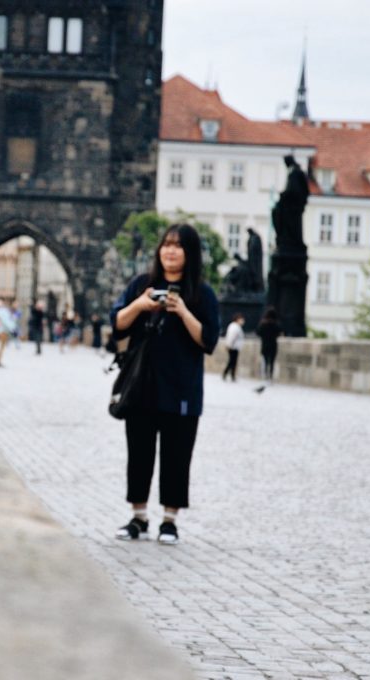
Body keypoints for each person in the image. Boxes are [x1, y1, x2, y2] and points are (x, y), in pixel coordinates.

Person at [110, 223, 220, 545]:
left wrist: (183, 311)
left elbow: (208, 341)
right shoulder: (141, 286)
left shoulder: (202, 293)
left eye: (178, 246)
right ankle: (138, 516)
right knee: (139, 452)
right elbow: (117, 324)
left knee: (177, 454)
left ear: (190, 253)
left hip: (182, 388)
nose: (170, 251)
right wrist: (141, 305)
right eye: (166, 245)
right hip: (142, 385)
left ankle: (169, 520)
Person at [255, 307, 282, 393]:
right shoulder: (276, 324)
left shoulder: (263, 324)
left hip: (265, 345)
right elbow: (279, 333)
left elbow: (258, 332)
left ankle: (265, 376)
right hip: (273, 345)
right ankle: (270, 377)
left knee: (265, 362)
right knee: (272, 362)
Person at [222, 313, 245, 381]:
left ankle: (231, 374)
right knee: (232, 361)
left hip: (234, 346)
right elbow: (232, 337)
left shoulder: (234, 326)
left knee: (232, 361)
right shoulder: (235, 327)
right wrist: (229, 345)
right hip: (233, 347)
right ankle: (228, 374)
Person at [0, 299, 17, 367]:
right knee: (2, 346)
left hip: (4, 330)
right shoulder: (2, 311)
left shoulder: (4, 311)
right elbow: (6, 321)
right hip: (3, 331)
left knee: (2, 346)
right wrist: (12, 329)